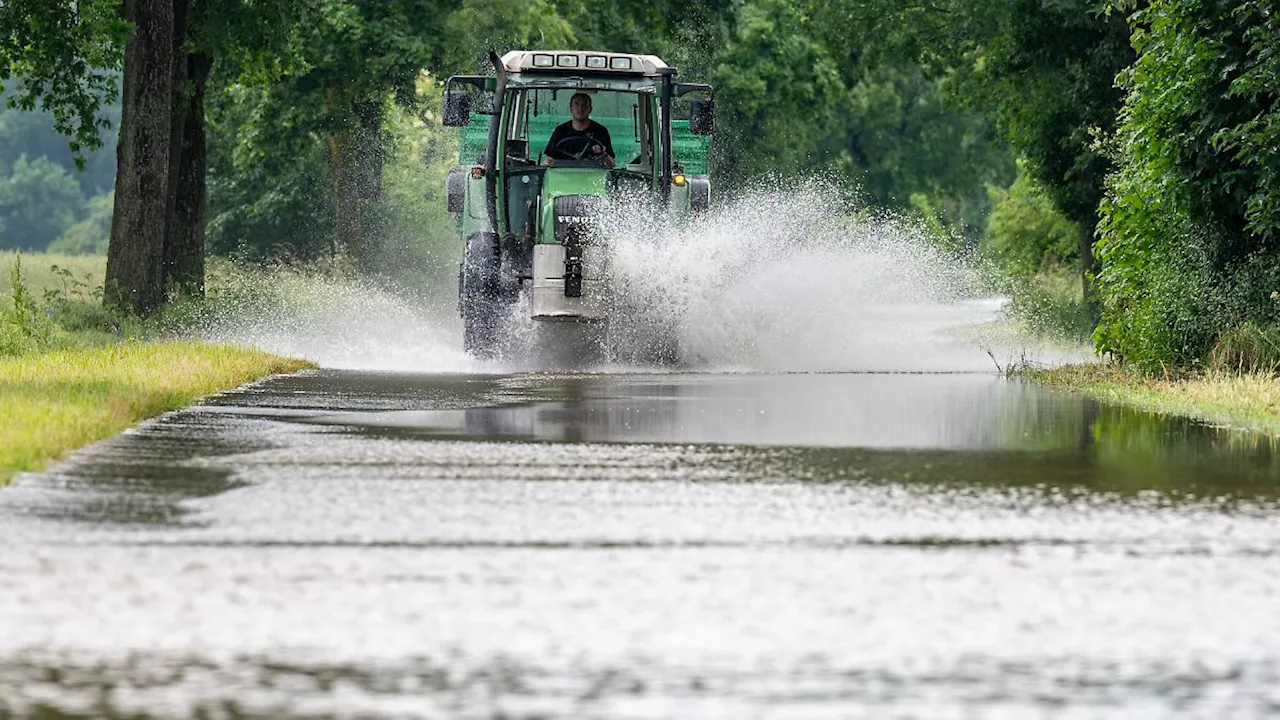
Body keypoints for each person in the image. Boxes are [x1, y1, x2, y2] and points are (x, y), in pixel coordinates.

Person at [543, 92, 615, 166]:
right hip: (563, 174)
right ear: (571, 108)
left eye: (584, 105)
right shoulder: (560, 131)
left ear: (590, 109)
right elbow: (549, 160)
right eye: (576, 104)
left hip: (593, 174)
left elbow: (612, 164)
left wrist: (603, 153)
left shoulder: (601, 131)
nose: (580, 108)